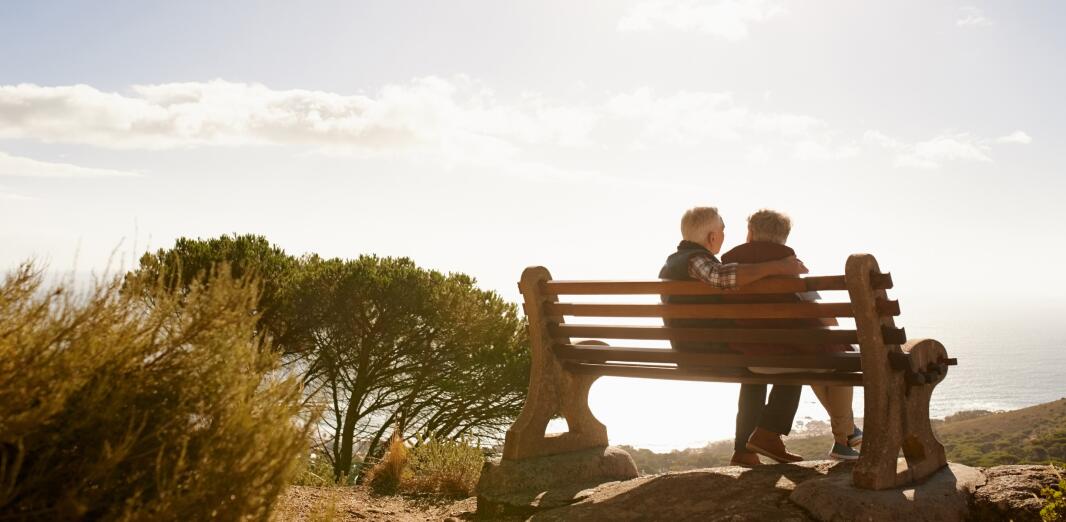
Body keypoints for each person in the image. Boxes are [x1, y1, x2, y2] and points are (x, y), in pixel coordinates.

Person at [658, 206, 809, 468]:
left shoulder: (680, 261)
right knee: (795, 360)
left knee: (757, 367)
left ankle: (745, 451)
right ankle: (768, 434)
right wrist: (777, 266)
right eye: (723, 231)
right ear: (712, 237)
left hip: (697, 347)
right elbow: (722, 277)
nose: (725, 236)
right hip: (705, 351)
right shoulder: (695, 261)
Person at [721, 209, 863, 461]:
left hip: (751, 360)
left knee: (816, 358)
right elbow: (826, 318)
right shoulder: (789, 264)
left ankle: (848, 433)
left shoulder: (729, 266)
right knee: (842, 359)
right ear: (784, 237)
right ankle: (844, 438)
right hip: (788, 360)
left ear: (750, 234)